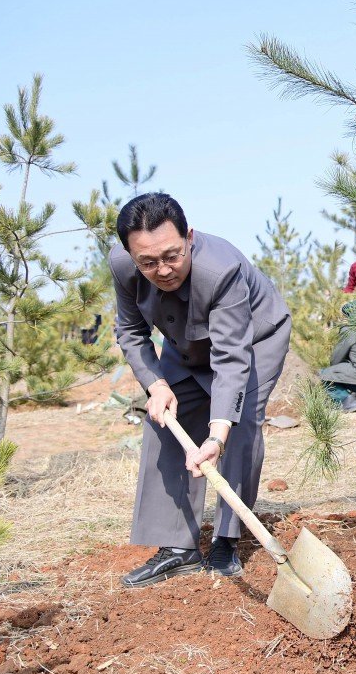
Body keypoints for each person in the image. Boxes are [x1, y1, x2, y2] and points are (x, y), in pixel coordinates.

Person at [110, 193, 291, 588]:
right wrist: (156, 384)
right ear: (130, 254)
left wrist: (217, 436)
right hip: (185, 342)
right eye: (148, 262)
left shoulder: (221, 270)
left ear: (189, 237)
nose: (163, 270)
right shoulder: (123, 266)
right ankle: (178, 548)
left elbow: (230, 359)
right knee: (164, 421)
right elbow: (131, 331)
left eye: (172, 255)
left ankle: (226, 539)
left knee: (239, 426)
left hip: (253, 340)